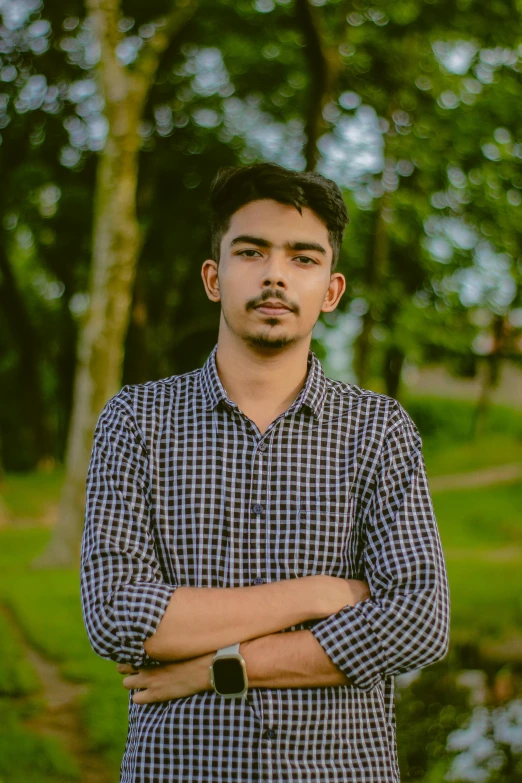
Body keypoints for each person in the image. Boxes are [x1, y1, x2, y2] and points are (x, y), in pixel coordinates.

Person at [80, 161, 450, 783]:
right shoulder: (136, 421)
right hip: (181, 769)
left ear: (330, 291)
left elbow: (418, 621)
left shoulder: (379, 430)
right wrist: (315, 594)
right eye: (251, 252)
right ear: (214, 277)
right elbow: (119, 616)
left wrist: (217, 666)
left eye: (303, 258)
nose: (276, 275)